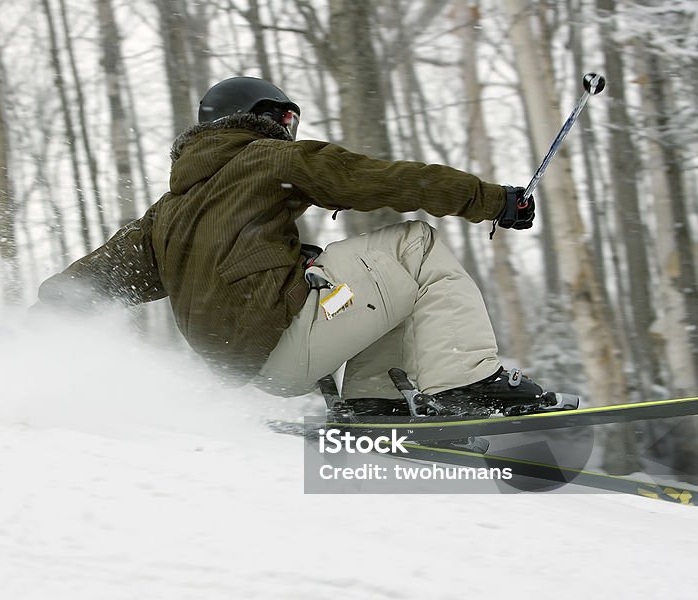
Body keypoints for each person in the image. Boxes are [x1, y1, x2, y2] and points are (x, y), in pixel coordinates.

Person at [38, 76, 572, 415]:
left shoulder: (165, 213)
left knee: (352, 271)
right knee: (415, 245)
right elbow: (381, 180)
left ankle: (375, 399)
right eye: (286, 119)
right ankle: (467, 382)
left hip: (245, 367)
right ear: (259, 118)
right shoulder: (269, 158)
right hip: (281, 344)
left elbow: (93, 280)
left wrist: (32, 322)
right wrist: (490, 199)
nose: (290, 131)